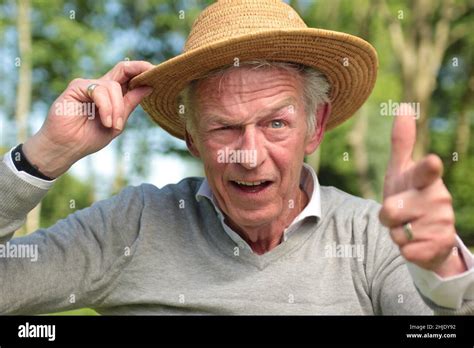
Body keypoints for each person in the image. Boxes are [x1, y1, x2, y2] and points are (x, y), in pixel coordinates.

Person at [1, 0, 473, 315]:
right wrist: (42, 156)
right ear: (192, 138)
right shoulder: (133, 225)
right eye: (225, 126)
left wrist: (444, 275)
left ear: (316, 125)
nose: (250, 155)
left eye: (275, 123)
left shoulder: (373, 235)